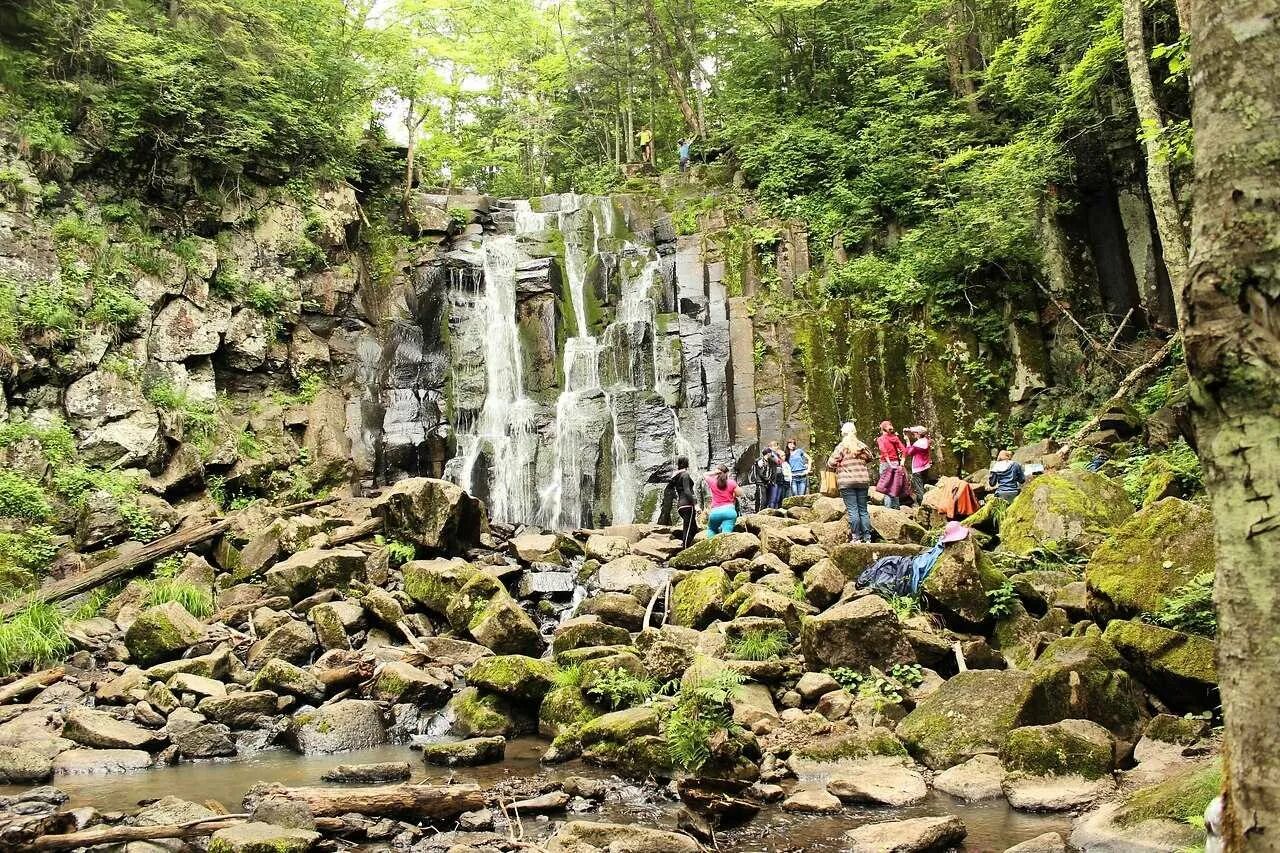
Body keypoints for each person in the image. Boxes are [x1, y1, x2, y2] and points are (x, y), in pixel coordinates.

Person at [828, 422, 874, 543]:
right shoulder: (862, 446)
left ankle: (856, 538)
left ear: (843, 433)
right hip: (862, 481)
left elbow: (830, 463)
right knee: (863, 510)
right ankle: (867, 538)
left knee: (853, 510)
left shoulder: (841, 446)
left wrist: (841, 462)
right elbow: (871, 457)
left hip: (847, 482)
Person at [664, 456, 699, 548]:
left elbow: (668, 490)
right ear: (685, 463)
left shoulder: (676, 476)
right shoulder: (685, 474)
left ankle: (690, 545)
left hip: (681, 505)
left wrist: (676, 498)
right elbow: (687, 491)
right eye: (688, 462)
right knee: (688, 528)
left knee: (694, 528)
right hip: (688, 505)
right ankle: (685, 547)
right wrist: (695, 504)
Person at [875, 420, 908, 509]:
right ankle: (897, 509)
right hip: (896, 464)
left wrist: (889, 463)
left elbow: (883, 451)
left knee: (886, 488)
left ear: (882, 429)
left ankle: (888, 510)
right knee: (895, 486)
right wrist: (902, 463)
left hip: (886, 464)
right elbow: (904, 450)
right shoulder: (895, 438)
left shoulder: (880, 439)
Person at [705, 463, 742, 538]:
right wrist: (733, 494)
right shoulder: (731, 482)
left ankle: (711, 546)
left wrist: (715, 472)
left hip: (715, 512)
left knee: (711, 529)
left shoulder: (712, 482)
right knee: (726, 536)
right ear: (726, 473)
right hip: (729, 512)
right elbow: (740, 493)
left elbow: (705, 474)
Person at [903, 426, 933, 505]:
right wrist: (909, 430)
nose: (914, 435)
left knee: (919, 489)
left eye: (915, 433)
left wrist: (907, 442)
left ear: (918, 434)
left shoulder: (918, 444)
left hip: (917, 469)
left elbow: (909, 452)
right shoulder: (926, 441)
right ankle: (927, 503)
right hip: (925, 466)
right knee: (923, 486)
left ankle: (923, 506)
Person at [750, 446, 780, 511]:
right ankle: (758, 514)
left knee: (765, 500)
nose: (772, 455)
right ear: (768, 453)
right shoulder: (760, 461)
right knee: (762, 500)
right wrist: (769, 480)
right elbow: (761, 474)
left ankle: (762, 514)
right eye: (771, 453)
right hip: (761, 483)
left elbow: (778, 462)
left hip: (767, 483)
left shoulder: (770, 461)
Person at [769, 441, 789, 509]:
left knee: (777, 499)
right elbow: (778, 461)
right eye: (773, 446)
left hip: (780, 479)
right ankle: (770, 513)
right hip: (774, 480)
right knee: (773, 499)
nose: (775, 447)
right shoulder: (771, 455)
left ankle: (775, 514)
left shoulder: (777, 454)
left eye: (776, 446)